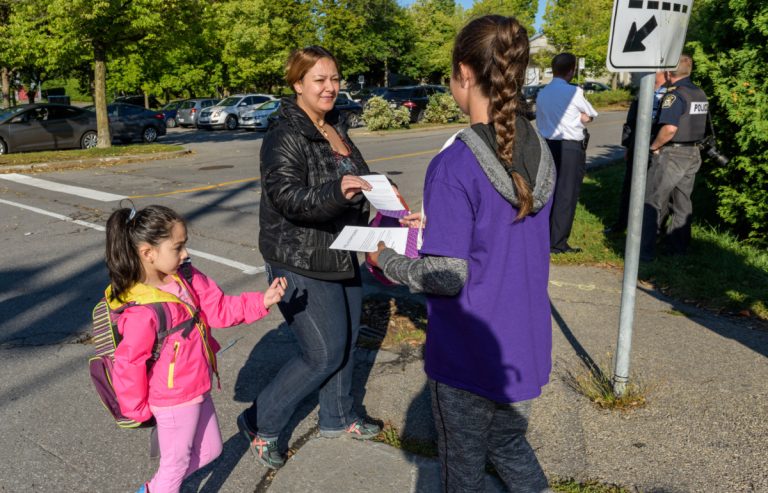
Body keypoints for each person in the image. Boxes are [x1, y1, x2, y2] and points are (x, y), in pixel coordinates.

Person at [369, 15, 556, 493]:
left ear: (464, 75)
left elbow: (446, 276)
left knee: (463, 471)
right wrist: (442, 226)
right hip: (523, 344)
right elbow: (504, 234)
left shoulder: (455, 161)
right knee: (510, 446)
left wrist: (386, 259)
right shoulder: (540, 151)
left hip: (469, 353)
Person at [237, 45, 381, 470]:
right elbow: (289, 199)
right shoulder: (284, 135)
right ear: (297, 84)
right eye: (319, 80)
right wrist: (338, 192)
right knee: (322, 352)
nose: (330, 87)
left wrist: (388, 209)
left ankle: (338, 417)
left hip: (341, 250)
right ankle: (260, 423)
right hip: (297, 256)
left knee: (348, 341)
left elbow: (360, 182)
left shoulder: (336, 126)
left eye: (335, 78)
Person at [106, 204, 287, 493]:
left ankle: (157, 488)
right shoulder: (143, 310)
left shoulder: (187, 277)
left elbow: (218, 309)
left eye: (184, 246)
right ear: (147, 253)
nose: (185, 254)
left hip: (197, 385)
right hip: (173, 399)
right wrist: (137, 409)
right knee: (174, 468)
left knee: (211, 451)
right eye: (177, 248)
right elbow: (129, 363)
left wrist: (261, 301)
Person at [640, 54, 708, 261]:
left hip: (673, 154)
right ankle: (677, 249)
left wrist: (654, 146)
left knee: (653, 200)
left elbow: (669, 129)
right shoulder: (699, 93)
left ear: (669, 73)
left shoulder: (675, 96)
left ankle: (645, 252)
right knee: (682, 202)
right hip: (693, 152)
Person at [535, 52, 598, 254]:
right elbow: (590, 115)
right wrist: (579, 117)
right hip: (569, 147)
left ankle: (543, 236)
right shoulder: (574, 92)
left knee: (548, 191)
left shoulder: (542, 93)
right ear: (571, 71)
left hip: (547, 145)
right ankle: (558, 242)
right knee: (566, 194)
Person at [606, 71, 669, 234]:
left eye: (657, 70)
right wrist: (627, 146)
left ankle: (653, 228)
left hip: (657, 144)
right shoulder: (643, 92)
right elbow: (630, 122)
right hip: (637, 145)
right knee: (629, 186)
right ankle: (622, 223)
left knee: (654, 187)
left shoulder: (670, 93)